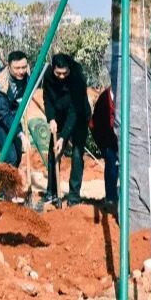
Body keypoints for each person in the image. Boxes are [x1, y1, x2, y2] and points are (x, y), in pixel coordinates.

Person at [42, 53, 91, 207]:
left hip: (79, 116)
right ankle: (52, 192)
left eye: (65, 73)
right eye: (58, 73)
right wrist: (51, 118)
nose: (62, 76)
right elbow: (47, 100)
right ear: (53, 69)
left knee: (77, 155)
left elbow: (74, 110)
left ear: (69, 69)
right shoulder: (48, 76)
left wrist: (63, 136)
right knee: (53, 153)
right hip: (59, 117)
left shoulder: (77, 78)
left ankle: (74, 197)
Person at [0, 51, 30, 167]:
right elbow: (4, 115)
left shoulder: (28, 75)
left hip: (14, 115)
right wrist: (21, 134)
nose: (21, 71)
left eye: (23, 67)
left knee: (18, 156)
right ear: (9, 66)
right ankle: (6, 185)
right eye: (17, 68)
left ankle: (10, 184)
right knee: (10, 157)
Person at [91, 87, 118, 205]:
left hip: (124, 138)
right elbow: (95, 123)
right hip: (108, 139)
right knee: (111, 165)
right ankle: (111, 197)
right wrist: (104, 145)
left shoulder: (129, 95)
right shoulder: (104, 99)